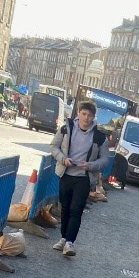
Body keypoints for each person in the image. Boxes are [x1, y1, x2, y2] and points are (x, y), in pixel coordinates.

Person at [49, 99, 110, 257]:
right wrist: (63, 159)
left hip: (83, 178)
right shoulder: (66, 128)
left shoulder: (99, 137)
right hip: (66, 173)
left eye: (90, 115)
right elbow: (53, 146)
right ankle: (63, 238)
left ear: (94, 117)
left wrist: (90, 165)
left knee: (76, 209)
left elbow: (105, 160)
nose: (86, 118)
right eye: (84, 114)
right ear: (78, 113)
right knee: (65, 208)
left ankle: (70, 243)